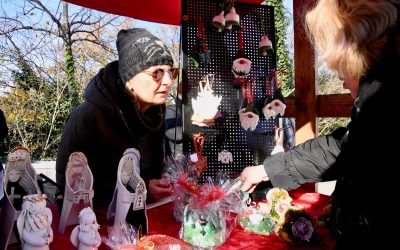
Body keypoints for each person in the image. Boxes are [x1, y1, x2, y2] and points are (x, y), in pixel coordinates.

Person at [239, 0, 400, 248]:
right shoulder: (376, 103)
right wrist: (267, 170)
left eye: (339, 65)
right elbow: (344, 148)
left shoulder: (382, 103)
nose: (339, 76)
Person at [56, 28, 176, 208]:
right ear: (129, 77)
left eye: (171, 72)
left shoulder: (155, 114)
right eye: (157, 73)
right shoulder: (88, 116)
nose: (167, 81)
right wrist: (141, 188)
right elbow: (71, 185)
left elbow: (149, 172)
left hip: (143, 215)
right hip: (94, 224)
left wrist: (158, 182)